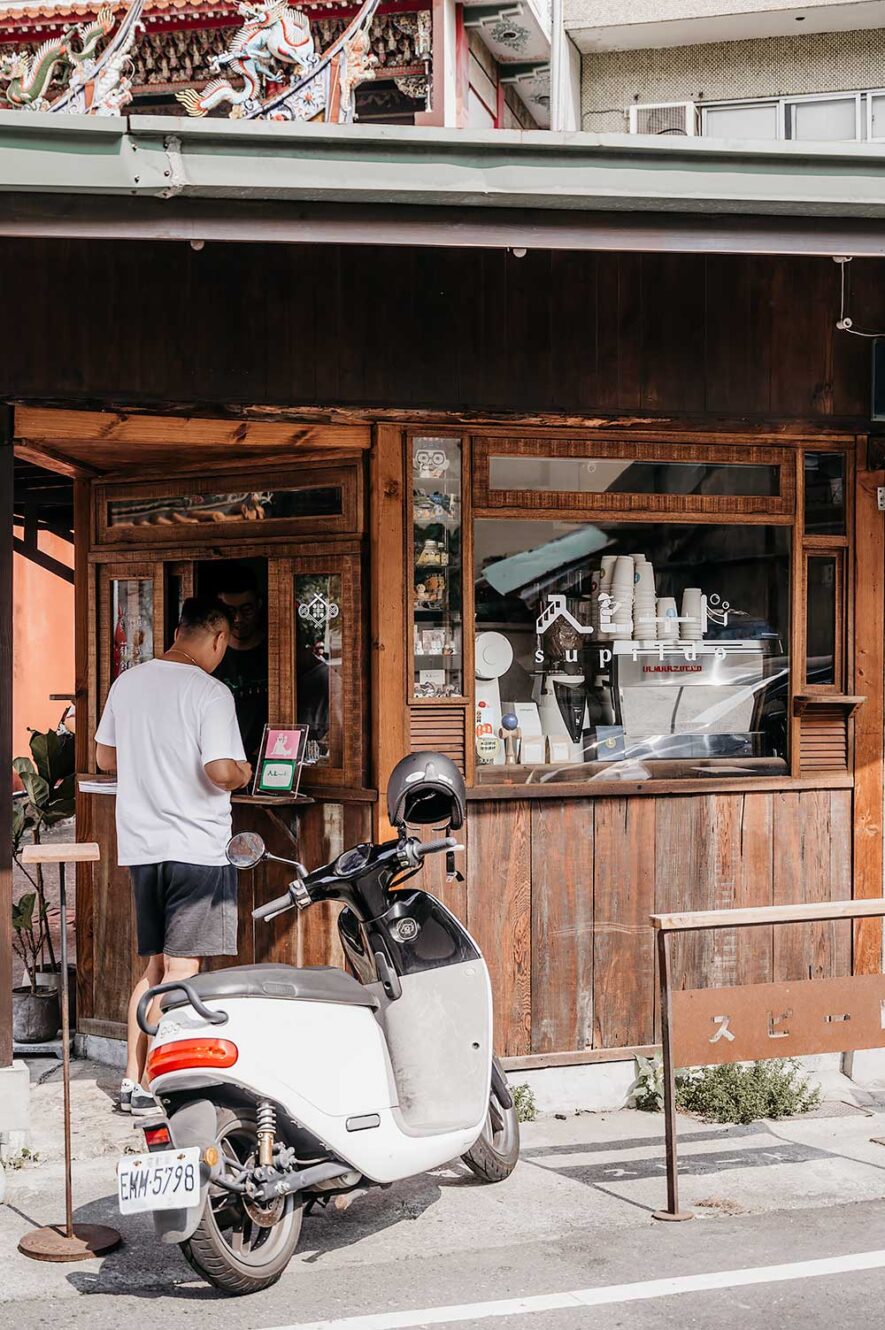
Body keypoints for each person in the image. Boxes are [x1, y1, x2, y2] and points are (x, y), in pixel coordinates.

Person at [95, 597, 252, 1115]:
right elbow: (219, 771)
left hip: (142, 846)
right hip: (196, 848)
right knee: (182, 968)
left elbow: (104, 757)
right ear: (216, 639)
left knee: (154, 965)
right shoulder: (210, 693)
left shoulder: (128, 683)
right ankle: (156, 1082)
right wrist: (245, 772)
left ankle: (130, 1077)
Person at [213, 565, 269, 763]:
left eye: (247, 610)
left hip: (267, 761)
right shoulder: (209, 653)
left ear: (259, 604)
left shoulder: (277, 651)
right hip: (219, 761)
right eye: (230, 611)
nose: (238, 619)